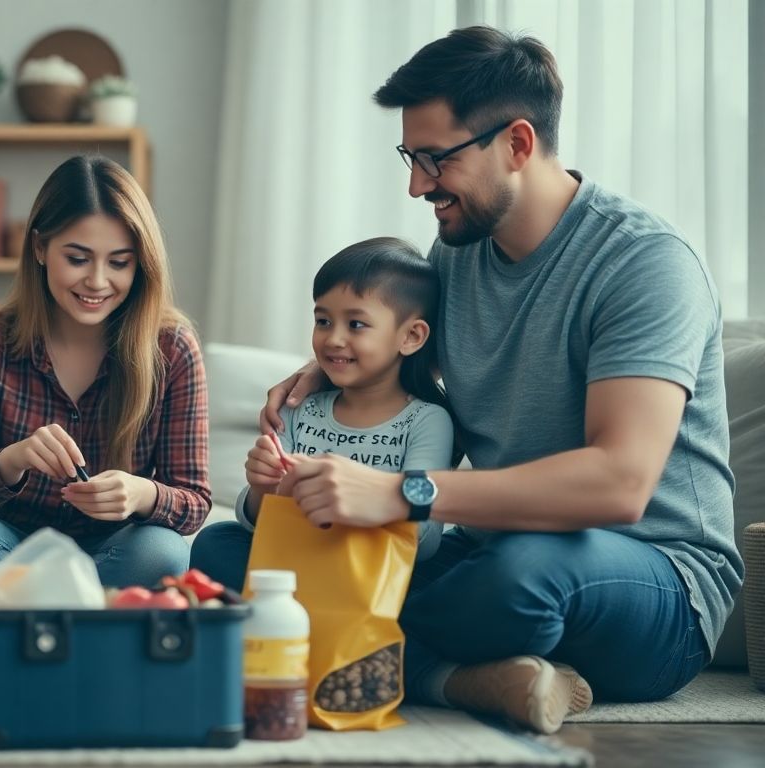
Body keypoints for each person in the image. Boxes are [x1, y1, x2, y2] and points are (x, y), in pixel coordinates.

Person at [260, 26, 741, 734]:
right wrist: (326, 369)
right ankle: (472, 680)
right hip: (493, 545)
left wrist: (401, 493)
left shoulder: (645, 265)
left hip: (658, 584)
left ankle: (417, 665)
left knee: (520, 577)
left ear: (517, 144)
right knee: (242, 552)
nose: (417, 184)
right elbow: (406, 356)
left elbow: (620, 483)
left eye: (434, 159)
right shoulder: (456, 254)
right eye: (410, 155)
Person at [0, 155, 210, 589]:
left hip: (114, 549)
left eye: (119, 263)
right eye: (78, 258)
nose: (97, 281)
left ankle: (37, 613)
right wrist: (12, 460)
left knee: (163, 551)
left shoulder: (172, 348)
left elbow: (194, 500)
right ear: (39, 248)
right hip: (12, 546)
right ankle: (75, 616)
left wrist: (141, 493)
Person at [190, 237, 454, 591]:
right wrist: (262, 488)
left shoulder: (426, 421)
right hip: (295, 559)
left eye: (356, 324)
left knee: (442, 578)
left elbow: (424, 540)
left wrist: (350, 504)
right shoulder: (299, 408)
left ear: (411, 336)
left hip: (371, 572)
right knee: (216, 541)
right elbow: (254, 520)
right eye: (323, 320)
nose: (333, 339)